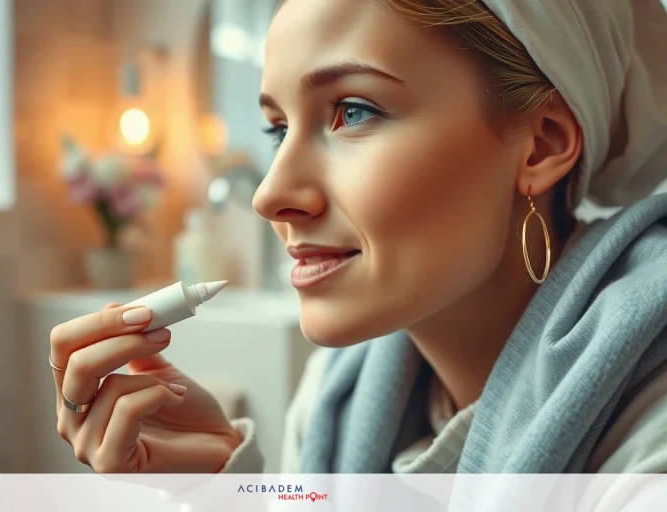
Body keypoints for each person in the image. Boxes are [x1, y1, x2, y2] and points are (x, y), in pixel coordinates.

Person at [48, 0, 667, 479]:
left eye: (354, 111)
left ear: (545, 143)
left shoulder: (651, 434)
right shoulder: (333, 400)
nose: (269, 196)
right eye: (278, 128)